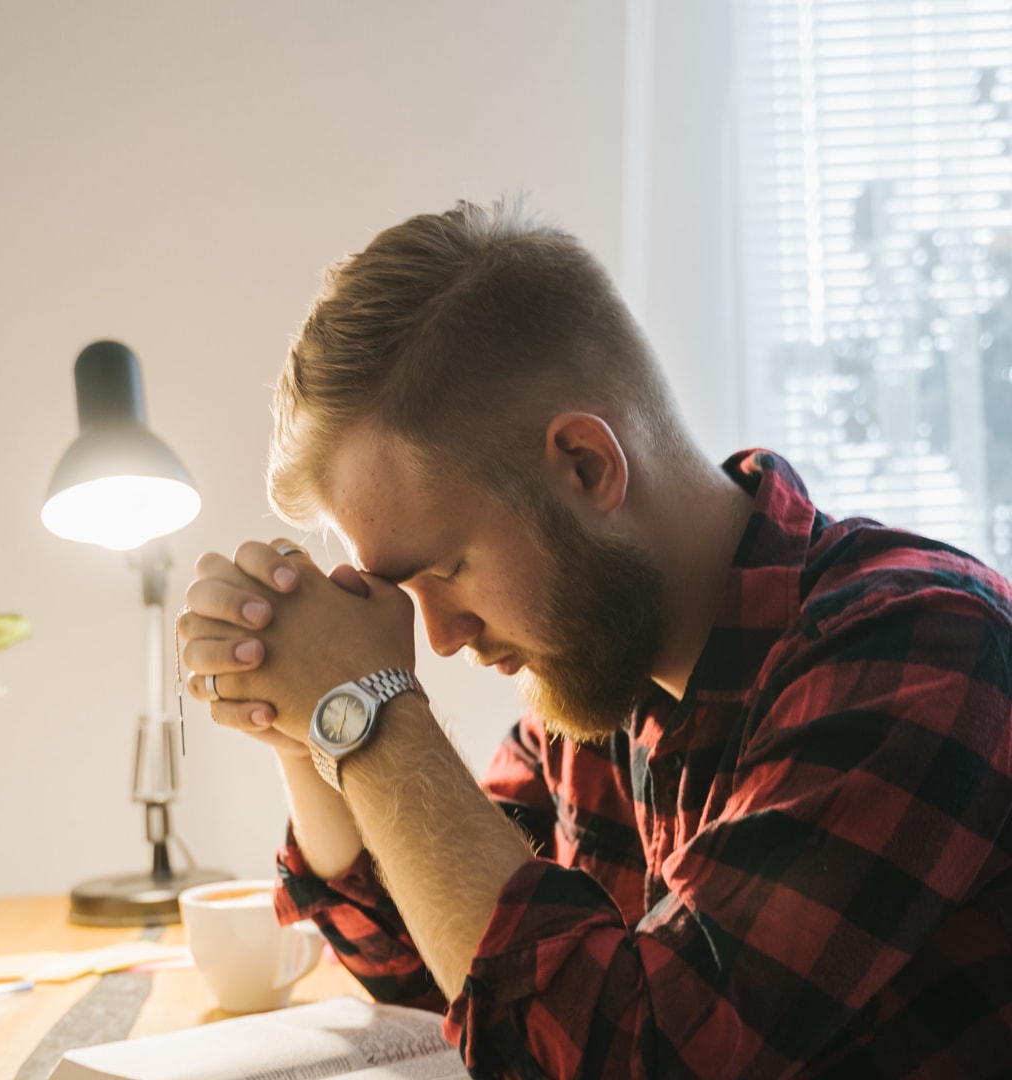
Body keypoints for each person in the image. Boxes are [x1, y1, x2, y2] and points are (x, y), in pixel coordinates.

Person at [177, 199, 1012, 1078]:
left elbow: (629, 1057)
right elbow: (439, 968)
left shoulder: (917, 651)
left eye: (448, 569)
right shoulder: (604, 670)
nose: (441, 636)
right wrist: (305, 726)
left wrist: (364, 707)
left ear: (586, 465)